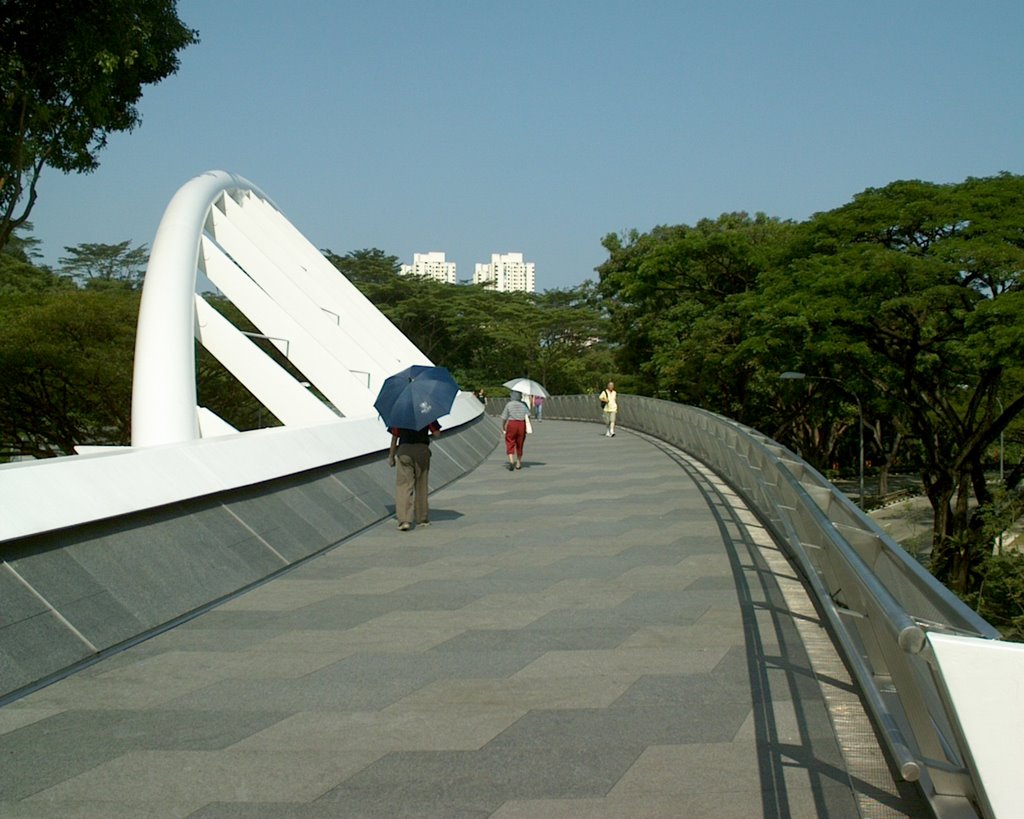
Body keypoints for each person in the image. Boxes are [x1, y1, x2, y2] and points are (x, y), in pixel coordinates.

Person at [388, 421, 441, 531]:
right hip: (422, 450)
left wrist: (391, 456)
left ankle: (404, 521)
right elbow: (437, 434)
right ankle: (422, 518)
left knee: (404, 486)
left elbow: (394, 438)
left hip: (404, 450)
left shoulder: (399, 415)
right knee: (421, 484)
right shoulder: (425, 412)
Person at [500, 390, 530, 470]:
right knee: (520, 443)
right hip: (521, 424)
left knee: (510, 441)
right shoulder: (524, 404)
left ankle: (511, 460)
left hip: (512, 424)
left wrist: (503, 426)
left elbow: (504, 417)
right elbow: (528, 415)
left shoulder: (509, 404)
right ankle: (518, 463)